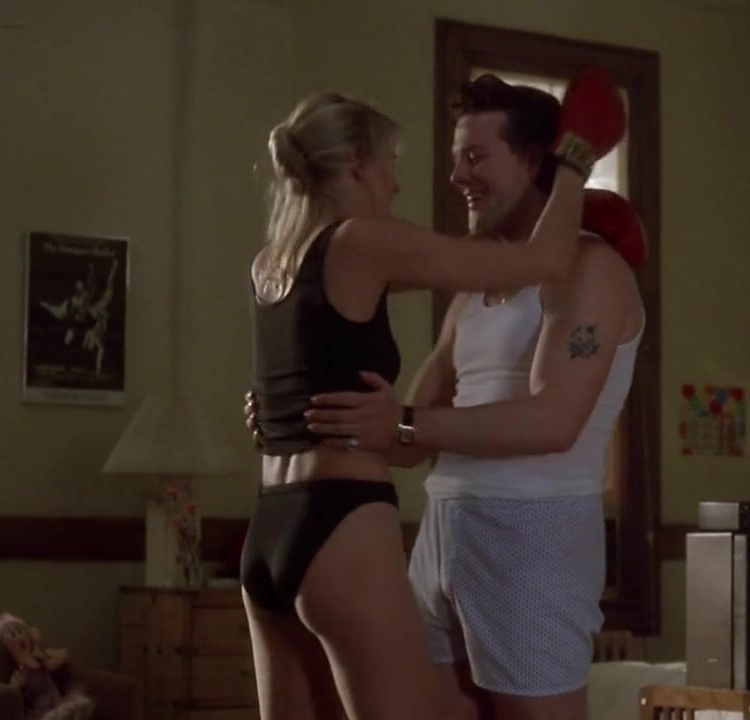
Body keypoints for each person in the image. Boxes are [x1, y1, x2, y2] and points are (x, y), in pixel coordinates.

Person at [246, 74, 647, 720]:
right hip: (442, 533)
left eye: (476, 156)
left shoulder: (591, 267)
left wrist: (400, 424)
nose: (456, 176)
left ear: (535, 161)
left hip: (532, 535)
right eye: (456, 157)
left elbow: (553, 420)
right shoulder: (470, 288)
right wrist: (311, 411)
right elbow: (402, 436)